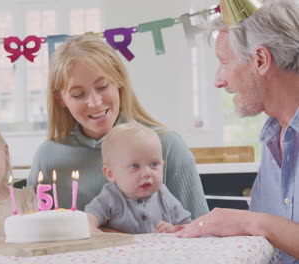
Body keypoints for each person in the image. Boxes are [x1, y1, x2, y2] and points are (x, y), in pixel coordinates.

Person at [27, 35, 209, 219]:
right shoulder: (48, 156)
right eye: (78, 94)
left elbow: (202, 232)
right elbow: (34, 231)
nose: (95, 103)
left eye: (102, 86)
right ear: (61, 99)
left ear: (119, 81)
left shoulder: (167, 146)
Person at [176, 0, 299, 262]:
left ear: (260, 60)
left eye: (224, 62)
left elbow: (260, 225)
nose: (219, 81)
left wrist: (251, 222)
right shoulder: (273, 137)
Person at [85, 122, 191, 234]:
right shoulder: (110, 196)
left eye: (154, 164)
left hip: (159, 251)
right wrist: (93, 230)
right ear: (110, 173)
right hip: (123, 251)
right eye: (135, 166)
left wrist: (174, 229)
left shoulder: (163, 194)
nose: (147, 173)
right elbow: (89, 219)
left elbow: (188, 225)